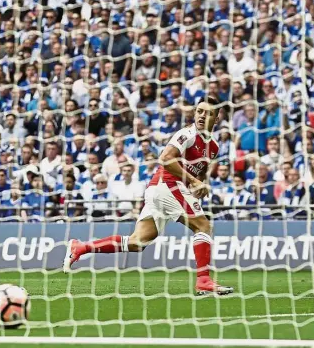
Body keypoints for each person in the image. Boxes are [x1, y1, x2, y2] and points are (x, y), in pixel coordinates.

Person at [63, 97, 233, 295]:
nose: (202, 116)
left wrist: (198, 185)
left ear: (217, 118)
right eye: (199, 111)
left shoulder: (213, 146)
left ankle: (81, 248)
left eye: (208, 113)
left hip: (162, 189)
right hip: (166, 185)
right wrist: (193, 182)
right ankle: (203, 280)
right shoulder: (186, 134)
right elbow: (165, 159)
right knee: (203, 226)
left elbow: (197, 171)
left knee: (137, 242)